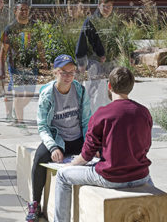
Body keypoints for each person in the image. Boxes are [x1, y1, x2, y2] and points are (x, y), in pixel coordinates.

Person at [52, 66, 153, 222]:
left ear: (109, 86)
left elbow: (87, 155)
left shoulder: (102, 113)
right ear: (131, 87)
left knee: (62, 176)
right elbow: (145, 146)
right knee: (143, 169)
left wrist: (71, 164)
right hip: (140, 176)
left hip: (111, 177)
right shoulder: (144, 112)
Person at [26, 55, 92, 222]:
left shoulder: (80, 90)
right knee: (39, 157)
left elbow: (86, 121)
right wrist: (53, 147)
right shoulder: (47, 94)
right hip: (59, 140)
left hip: (77, 139)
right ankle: (35, 202)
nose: (68, 76)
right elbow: (42, 126)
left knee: (101, 153)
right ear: (55, 72)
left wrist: (90, 145)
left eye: (72, 72)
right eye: (64, 72)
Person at [0, 2, 36, 126]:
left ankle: (15, 108)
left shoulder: (33, 26)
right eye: (21, 10)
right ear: (15, 11)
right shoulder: (9, 29)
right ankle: (17, 118)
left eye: (26, 10)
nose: (24, 12)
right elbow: (3, 50)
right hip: (15, 65)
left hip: (31, 65)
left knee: (30, 93)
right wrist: (2, 69)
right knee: (18, 92)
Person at [77, 0, 114, 112]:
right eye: (104, 6)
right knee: (93, 88)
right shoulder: (90, 21)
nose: (107, 9)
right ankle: (88, 114)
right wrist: (81, 62)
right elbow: (82, 40)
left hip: (110, 61)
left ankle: (108, 113)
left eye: (110, 6)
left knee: (110, 88)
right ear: (99, 6)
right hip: (94, 60)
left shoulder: (112, 22)